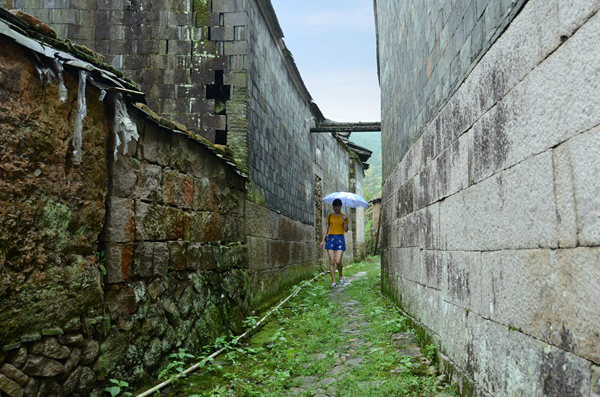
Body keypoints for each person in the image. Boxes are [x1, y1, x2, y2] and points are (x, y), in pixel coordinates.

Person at [320, 198, 349, 287]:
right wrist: (322, 240)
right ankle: (333, 280)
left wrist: (344, 221)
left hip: (340, 238)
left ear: (341, 206)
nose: (337, 207)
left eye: (338, 206)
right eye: (335, 206)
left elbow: (346, 230)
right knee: (332, 261)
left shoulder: (345, 216)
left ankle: (340, 275)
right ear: (333, 207)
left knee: (338, 261)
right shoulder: (329, 216)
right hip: (331, 239)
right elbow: (326, 229)